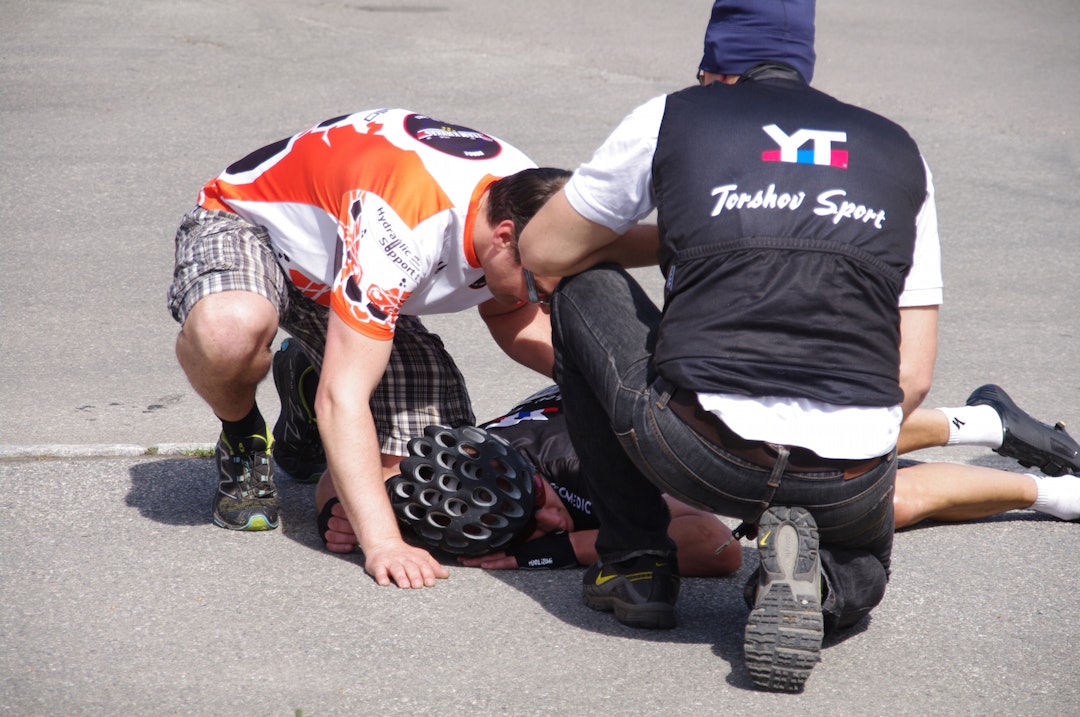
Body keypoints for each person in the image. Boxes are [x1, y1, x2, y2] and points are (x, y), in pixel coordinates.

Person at [519, 0, 940, 691]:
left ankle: (635, 562)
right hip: (848, 474)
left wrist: (695, 225)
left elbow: (541, 250)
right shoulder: (900, 151)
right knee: (866, 560)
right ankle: (822, 578)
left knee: (578, 281)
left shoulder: (676, 115)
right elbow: (913, 377)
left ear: (715, 71)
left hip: (701, 449)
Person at [166, 107, 568, 589]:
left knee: (422, 479)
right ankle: (242, 434)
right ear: (504, 239)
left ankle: (306, 382)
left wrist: (603, 392)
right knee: (229, 333)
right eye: (536, 286)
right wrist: (383, 544)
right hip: (250, 226)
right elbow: (345, 398)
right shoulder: (404, 226)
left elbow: (509, 310)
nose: (538, 301)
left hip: (343, 262)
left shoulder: (536, 206)